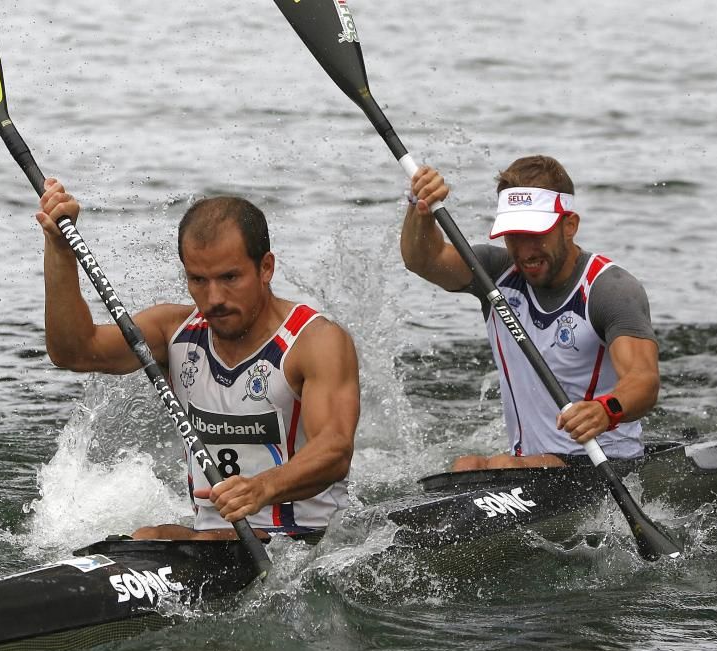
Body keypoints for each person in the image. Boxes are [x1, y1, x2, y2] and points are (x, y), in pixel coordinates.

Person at [36, 178, 360, 539]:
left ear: (266, 268)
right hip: (216, 541)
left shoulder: (315, 342)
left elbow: (334, 449)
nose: (214, 297)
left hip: (305, 541)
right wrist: (59, 249)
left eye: (230, 277)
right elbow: (74, 351)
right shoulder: (172, 331)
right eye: (198, 280)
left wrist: (261, 488)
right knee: (148, 537)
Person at [401, 155, 659, 471]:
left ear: (569, 226)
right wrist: (420, 206)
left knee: (501, 467)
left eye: (535, 235)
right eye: (514, 235)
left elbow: (643, 381)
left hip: (603, 461)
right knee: (465, 465)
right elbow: (423, 260)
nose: (524, 252)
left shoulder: (610, 289)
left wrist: (607, 410)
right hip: (529, 464)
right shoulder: (494, 275)